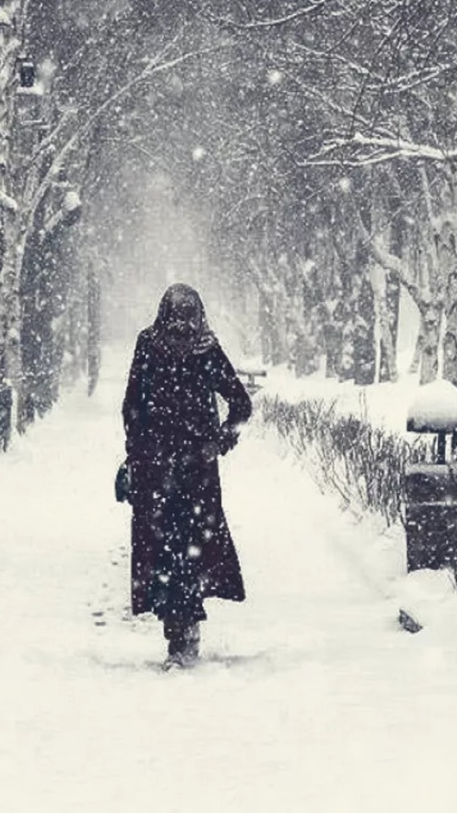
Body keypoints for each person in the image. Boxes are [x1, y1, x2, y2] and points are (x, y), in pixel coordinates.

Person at [121, 283, 253, 667]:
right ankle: (182, 631)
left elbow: (131, 408)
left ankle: (179, 633)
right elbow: (241, 405)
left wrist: (137, 452)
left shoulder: (159, 345)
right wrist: (219, 441)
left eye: (184, 315)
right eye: (178, 315)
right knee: (183, 551)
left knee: (168, 552)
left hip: (167, 468)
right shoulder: (198, 348)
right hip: (184, 469)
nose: (182, 324)